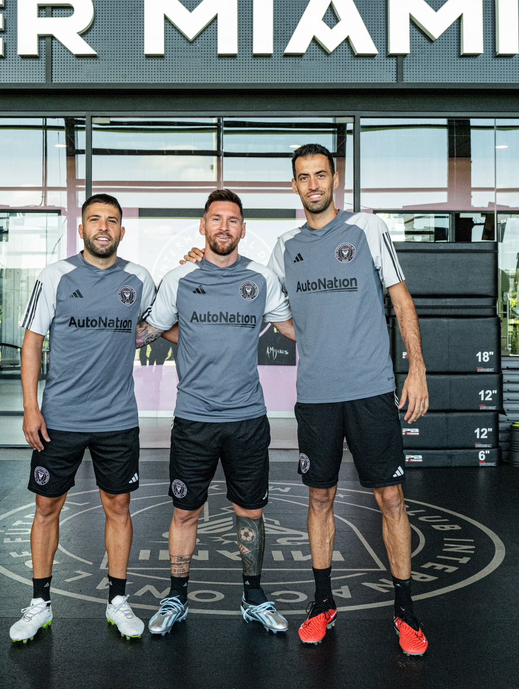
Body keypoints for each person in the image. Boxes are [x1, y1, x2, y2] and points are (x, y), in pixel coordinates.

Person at [183, 144, 431, 655]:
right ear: (294, 186)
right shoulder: (285, 247)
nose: (313, 184)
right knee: (320, 498)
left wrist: (418, 369)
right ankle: (322, 603)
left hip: (372, 391)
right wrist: (201, 262)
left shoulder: (367, 229)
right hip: (316, 396)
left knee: (390, 499)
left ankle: (405, 612)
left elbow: (401, 299)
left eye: (321, 175)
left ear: (334, 179)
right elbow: (253, 289)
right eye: (303, 177)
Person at [137, 189, 296, 637]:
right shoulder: (179, 279)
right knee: (186, 512)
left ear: (243, 229)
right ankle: (176, 597)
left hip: (247, 417)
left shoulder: (261, 279)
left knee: (250, 513)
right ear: (203, 227)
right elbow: (153, 328)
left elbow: (293, 327)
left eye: (233, 220)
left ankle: (254, 596)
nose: (224, 226)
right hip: (194, 418)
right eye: (216, 219)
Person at [9, 194, 156, 644]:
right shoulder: (56, 276)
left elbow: (154, 324)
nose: (104, 227)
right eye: (95, 219)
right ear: (82, 229)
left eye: (112, 220)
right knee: (47, 507)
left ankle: (117, 601)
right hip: (60, 418)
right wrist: (31, 408)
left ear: (122, 231)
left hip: (116, 417)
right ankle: (40, 604)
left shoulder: (139, 279)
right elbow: (32, 342)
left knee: (119, 507)